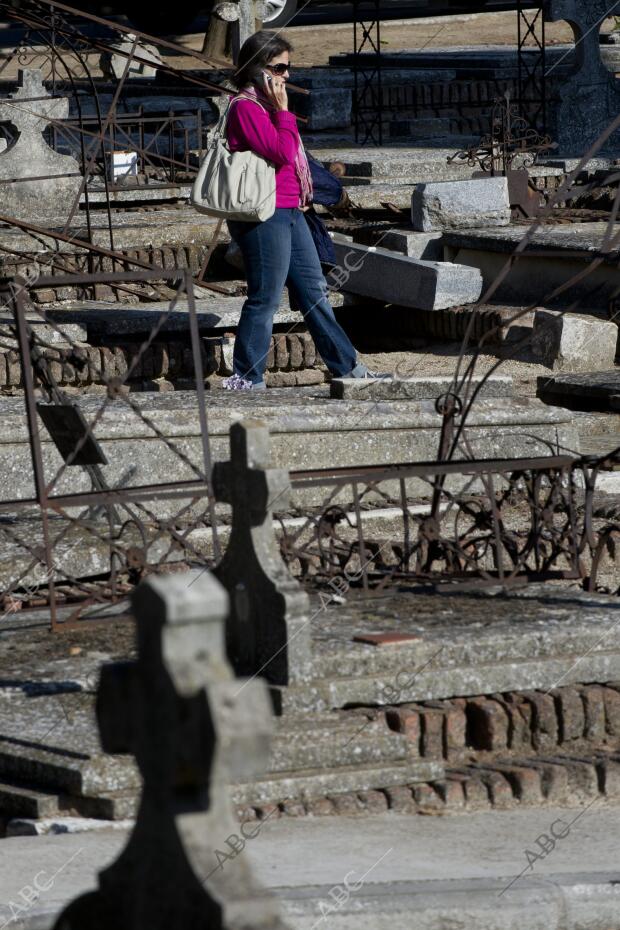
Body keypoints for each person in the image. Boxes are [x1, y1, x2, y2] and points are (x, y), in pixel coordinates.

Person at [222, 30, 386, 391]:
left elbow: (293, 160)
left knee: (315, 293)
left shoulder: (267, 107)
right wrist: (283, 113)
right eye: (280, 68)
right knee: (265, 295)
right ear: (257, 69)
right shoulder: (246, 108)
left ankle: (348, 368)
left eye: (288, 68)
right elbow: (279, 152)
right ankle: (248, 378)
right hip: (264, 214)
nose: (287, 76)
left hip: (294, 211)